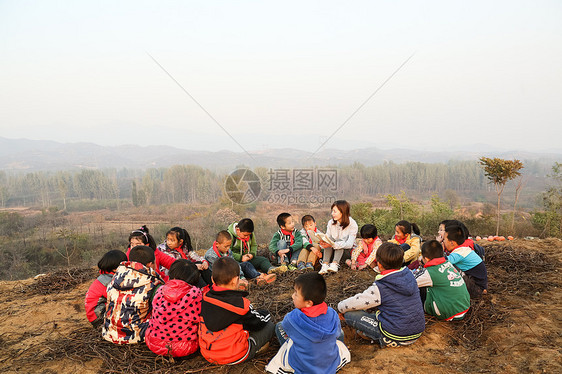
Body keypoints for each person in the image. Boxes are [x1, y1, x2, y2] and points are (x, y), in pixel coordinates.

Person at [338, 242, 425, 347]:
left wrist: (341, 307)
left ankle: (373, 336)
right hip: (417, 332)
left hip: (394, 335)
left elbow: (358, 301)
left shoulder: (381, 286)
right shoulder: (410, 276)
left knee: (350, 314)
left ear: (379, 264)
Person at [265, 272, 351, 374]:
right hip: (328, 365)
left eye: (296, 294)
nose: (292, 296)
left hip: (304, 367)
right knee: (338, 335)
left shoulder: (292, 318)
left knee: (279, 327)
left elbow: (285, 327)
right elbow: (337, 334)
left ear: (309, 303)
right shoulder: (332, 314)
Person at [199, 257, 275, 365]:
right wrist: (265, 313)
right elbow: (258, 322)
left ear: (212, 279)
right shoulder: (240, 305)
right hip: (233, 355)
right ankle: (255, 349)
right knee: (270, 326)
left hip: (207, 353)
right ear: (235, 280)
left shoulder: (205, 298)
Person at [102, 245, 164, 344]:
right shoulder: (153, 284)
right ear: (150, 264)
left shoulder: (116, 277)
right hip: (136, 337)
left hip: (109, 333)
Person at [145, 260, 202, 357]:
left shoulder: (159, 290)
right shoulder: (195, 294)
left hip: (154, 344)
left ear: (172, 276)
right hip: (184, 348)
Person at [414, 240, 470, 320]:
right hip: (463, 308)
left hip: (449, 312)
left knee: (417, 289)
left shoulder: (430, 272)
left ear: (426, 259)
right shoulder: (448, 263)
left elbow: (410, 282)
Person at [205, 230, 275, 289]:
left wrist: (241, 276)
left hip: (231, 271)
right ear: (217, 244)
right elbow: (219, 273)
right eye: (226, 246)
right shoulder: (211, 255)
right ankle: (238, 284)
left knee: (246, 264)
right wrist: (237, 278)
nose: (228, 249)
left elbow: (234, 264)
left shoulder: (228, 251)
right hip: (222, 276)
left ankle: (259, 277)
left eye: (229, 246)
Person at [443, 223, 488, 298]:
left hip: (476, 289)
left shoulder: (459, 253)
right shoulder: (463, 249)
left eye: (444, 239)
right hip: (480, 284)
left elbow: (443, 261)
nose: (443, 242)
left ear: (452, 242)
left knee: (448, 267)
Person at [84, 250, 127, 327]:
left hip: (94, 313)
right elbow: (120, 298)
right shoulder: (110, 281)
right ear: (115, 268)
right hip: (99, 317)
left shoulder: (105, 276)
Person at [319, 200, 358, 274]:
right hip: (332, 251)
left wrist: (333, 244)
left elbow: (349, 245)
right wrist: (323, 242)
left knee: (340, 241)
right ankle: (325, 264)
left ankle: (334, 264)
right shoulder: (331, 223)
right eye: (332, 211)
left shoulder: (352, 224)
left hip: (346, 252)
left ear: (343, 212)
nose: (332, 214)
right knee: (329, 239)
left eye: (335, 211)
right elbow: (328, 237)